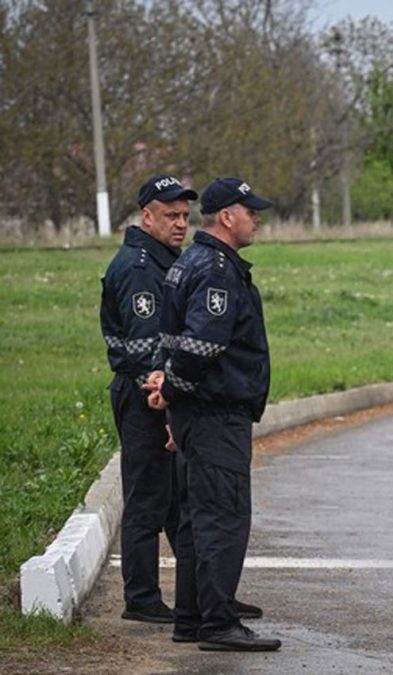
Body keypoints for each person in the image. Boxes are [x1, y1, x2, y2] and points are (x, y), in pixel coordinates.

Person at [145, 177, 279, 652]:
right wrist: (176, 394)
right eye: (251, 211)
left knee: (197, 518)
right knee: (223, 516)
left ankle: (192, 617)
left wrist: (172, 397)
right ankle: (218, 623)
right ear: (227, 216)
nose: (257, 218)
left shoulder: (192, 263)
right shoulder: (217, 271)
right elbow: (200, 347)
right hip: (216, 413)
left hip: (198, 415)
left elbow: (173, 344)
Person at [100, 174, 195, 623]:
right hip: (144, 395)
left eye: (185, 216)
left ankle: (200, 593)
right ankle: (141, 598)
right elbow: (144, 349)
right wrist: (162, 393)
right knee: (146, 499)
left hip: (158, 390)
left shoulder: (160, 260)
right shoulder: (140, 267)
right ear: (147, 216)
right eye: (171, 215)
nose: (181, 224)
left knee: (176, 498)